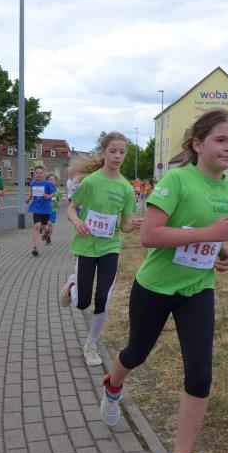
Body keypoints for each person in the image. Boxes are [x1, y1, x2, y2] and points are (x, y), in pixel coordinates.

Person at [98, 110, 228, 453]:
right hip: (156, 287)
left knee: (200, 373)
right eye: (221, 140)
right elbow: (150, 235)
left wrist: (221, 250)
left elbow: (208, 228)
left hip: (198, 288)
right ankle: (113, 385)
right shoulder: (176, 180)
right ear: (198, 144)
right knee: (136, 353)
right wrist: (210, 234)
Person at [58, 132, 142, 367]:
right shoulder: (91, 182)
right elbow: (71, 208)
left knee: (103, 297)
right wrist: (78, 222)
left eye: (122, 152)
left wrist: (133, 225)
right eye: (113, 151)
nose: (117, 156)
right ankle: (72, 286)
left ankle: (91, 344)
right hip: (86, 246)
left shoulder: (126, 189)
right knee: (82, 303)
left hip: (110, 247)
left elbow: (124, 225)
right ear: (104, 153)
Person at [26, 165, 56, 257]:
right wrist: (28, 199)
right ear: (34, 174)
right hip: (36, 207)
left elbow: (54, 193)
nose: (39, 174)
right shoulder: (33, 183)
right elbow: (32, 192)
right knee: (36, 226)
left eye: (40, 173)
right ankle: (35, 248)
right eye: (37, 173)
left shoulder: (47, 184)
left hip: (46, 209)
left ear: (43, 174)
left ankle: (48, 230)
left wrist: (48, 196)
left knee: (44, 226)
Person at [44, 173, 61, 244]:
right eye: (50, 179)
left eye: (53, 179)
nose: (52, 181)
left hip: (53, 210)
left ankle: (48, 237)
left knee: (50, 224)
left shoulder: (57, 191)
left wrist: (56, 201)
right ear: (47, 181)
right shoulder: (45, 190)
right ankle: (47, 234)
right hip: (44, 210)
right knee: (45, 224)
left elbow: (59, 204)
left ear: (56, 181)